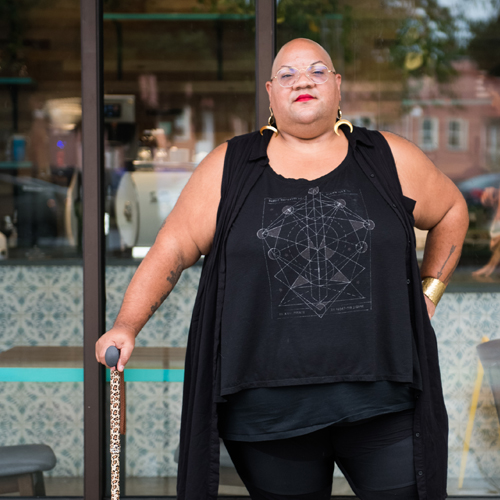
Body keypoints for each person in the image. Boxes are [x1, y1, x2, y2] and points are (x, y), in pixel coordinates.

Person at [96, 38, 469, 500]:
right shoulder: (228, 167)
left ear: (337, 86)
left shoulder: (389, 157)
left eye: (316, 71)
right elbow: (171, 248)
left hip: (384, 401)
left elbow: (452, 209)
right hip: (267, 411)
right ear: (271, 94)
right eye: (288, 75)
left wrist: (428, 293)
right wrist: (125, 327)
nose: (303, 82)